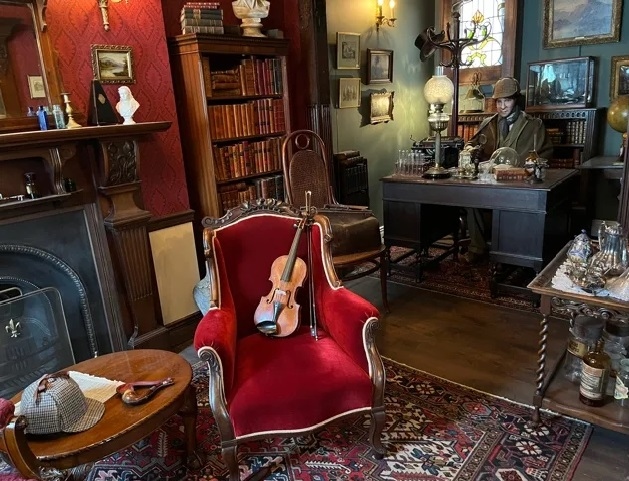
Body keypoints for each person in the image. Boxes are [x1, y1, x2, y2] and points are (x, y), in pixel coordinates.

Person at [462, 77, 554, 263]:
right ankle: (477, 248)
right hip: (490, 182)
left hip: (519, 184)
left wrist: (529, 166)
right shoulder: (488, 123)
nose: (502, 106)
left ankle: (509, 255)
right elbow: (470, 144)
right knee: (470, 199)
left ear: (516, 100)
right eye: (499, 101)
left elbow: (545, 154)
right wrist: (471, 150)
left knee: (512, 207)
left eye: (507, 101)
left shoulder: (534, 125)